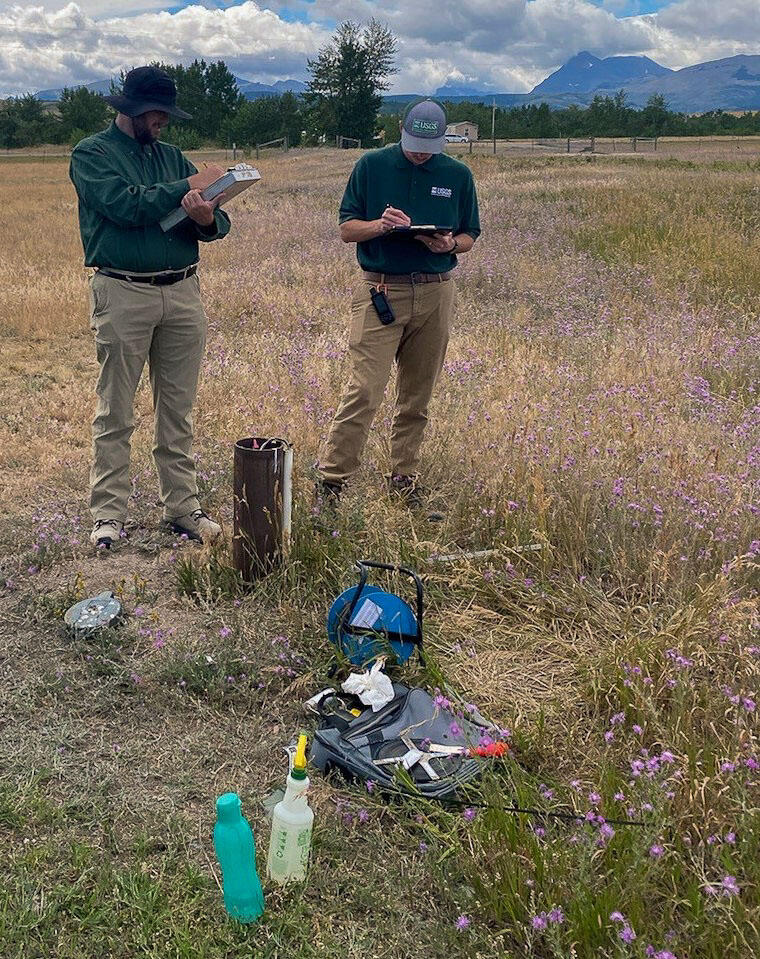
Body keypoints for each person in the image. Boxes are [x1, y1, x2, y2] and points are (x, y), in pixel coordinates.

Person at [69, 66, 231, 549]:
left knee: (177, 411)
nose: (164, 121)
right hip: (122, 292)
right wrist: (186, 189)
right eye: (157, 113)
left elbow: (215, 224)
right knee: (115, 410)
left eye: (167, 114)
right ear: (132, 110)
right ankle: (108, 515)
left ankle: (182, 508)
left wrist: (205, 216)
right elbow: (123, 204)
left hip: (183, 292)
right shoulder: (91, 154)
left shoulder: (173, 157)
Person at [315, 98, 480, 518]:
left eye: (429, 146)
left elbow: (469, 235)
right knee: (365, 389)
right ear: (400, 131)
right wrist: (380, 226)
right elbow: (347, 229)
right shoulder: (372, 166)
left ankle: (404, 480)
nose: (420, 152)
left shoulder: (458, 175)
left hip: (436, 292)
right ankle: (332, 483)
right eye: (413, 143)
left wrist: (449, 244)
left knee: (417, 395)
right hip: (381, 291)